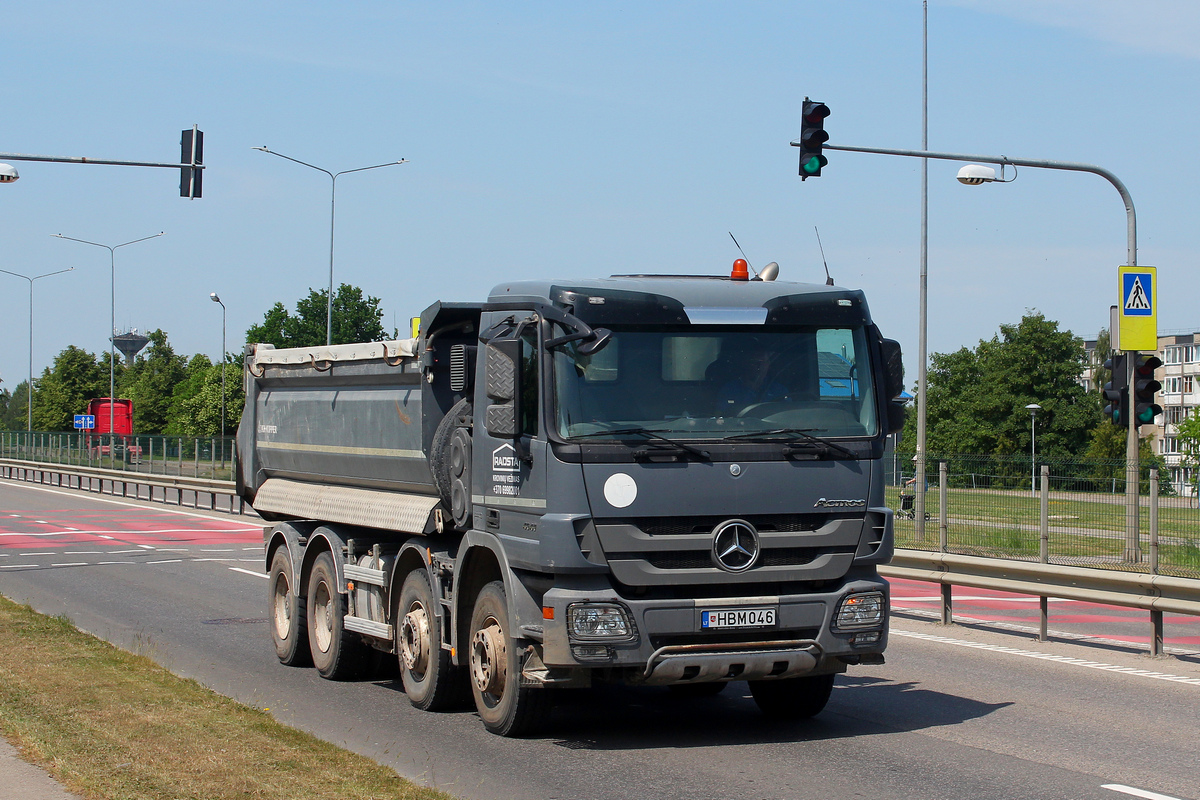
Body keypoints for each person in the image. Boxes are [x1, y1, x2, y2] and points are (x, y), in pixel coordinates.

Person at [713, 341, 788, 414]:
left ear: (768, 364)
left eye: (762, 362)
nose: (759, 367)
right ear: (745, 363)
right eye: (754, 362)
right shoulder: (729, 390)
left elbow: (787, 417)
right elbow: (721, 419)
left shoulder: (779, 391)